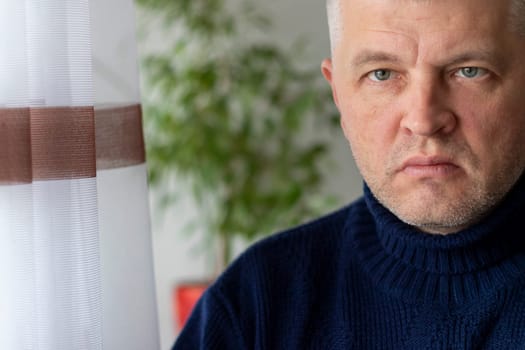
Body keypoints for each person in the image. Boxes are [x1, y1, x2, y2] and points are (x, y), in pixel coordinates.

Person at [173, 0, 525, 348]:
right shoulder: (255, 305)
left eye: (469, 71)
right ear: (338, 94)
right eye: (382, 74)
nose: (423, 120)